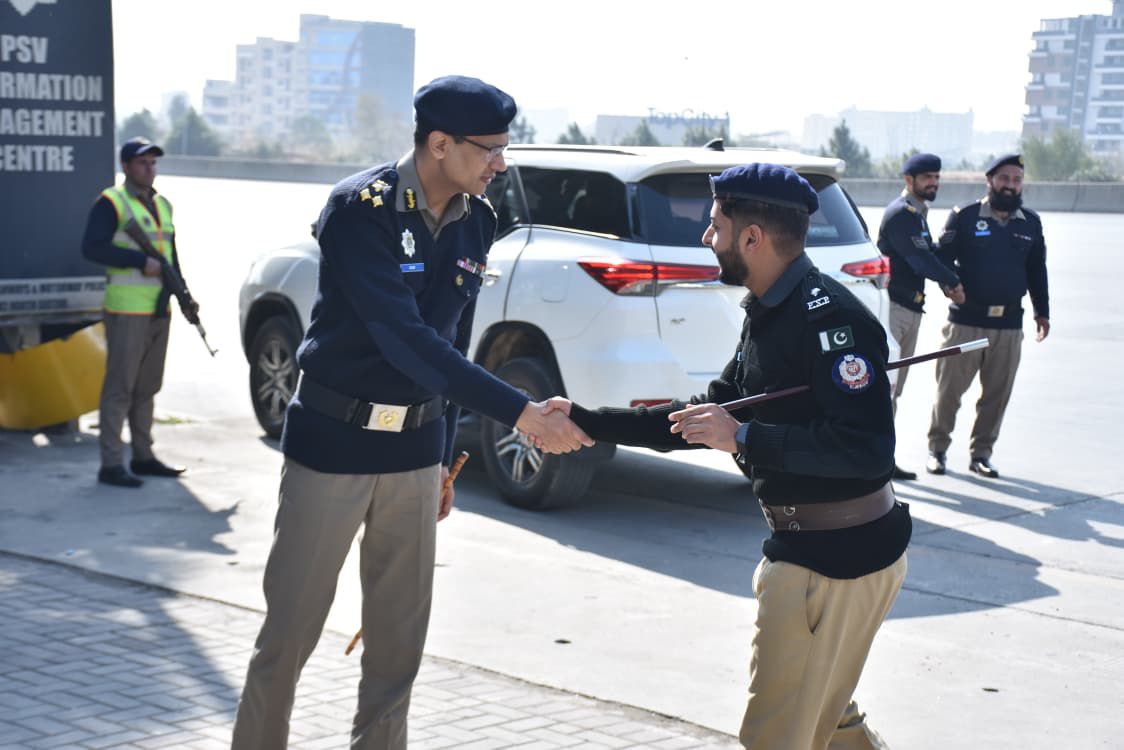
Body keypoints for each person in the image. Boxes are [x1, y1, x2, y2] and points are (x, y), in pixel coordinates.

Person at [230, 76, 592, 750]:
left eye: (504, 149)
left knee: (397, 652)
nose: (501, 164)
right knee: (288, 638)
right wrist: (520, 412)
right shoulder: (359, 210)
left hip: (414, 457)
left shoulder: (479, 219)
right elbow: (404, 340)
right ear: (440, 144)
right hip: (332, 447)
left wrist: (444, 458)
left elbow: (454, 342)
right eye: (490, 150)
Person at [558, 164, 911, 750]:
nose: (706, 238)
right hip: (816, 553)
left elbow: (865, 449)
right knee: (828, 724)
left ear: (752, 238)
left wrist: (744, 439)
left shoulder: (831, 320)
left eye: (714, 226)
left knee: (775, 736)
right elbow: (708, 415)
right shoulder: (770, 311)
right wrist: (588, 421)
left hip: (834, 564)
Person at [925, 153, 1049, 479]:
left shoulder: (1031, 223)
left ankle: (981, 454)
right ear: (990, 180)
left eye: (1017, 180)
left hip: (1008, 326)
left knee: (996, 395)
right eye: (1004, 178)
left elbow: (1037, 270)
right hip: (965, 322)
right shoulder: (964, 217)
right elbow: (941, 259)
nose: (1010, 185)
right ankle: (937, 449)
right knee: (949, 392)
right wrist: (949, 286)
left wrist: (1042, 312)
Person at [81, 136, 193, 488]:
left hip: (159, 309)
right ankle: (111, 464)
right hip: (127, 310)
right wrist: (137, 260)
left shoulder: (163, 205)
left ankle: (143, 457)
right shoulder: (111, 202)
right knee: (120, 388)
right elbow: (92, 248)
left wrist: (184, 295)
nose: (149, 168)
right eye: (142, 162)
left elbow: (169, 257)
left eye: (153, 162)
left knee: (147, 388)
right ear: (126, 166)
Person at [876, 152, 965, 481]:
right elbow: (919, 260)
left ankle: (883, 458)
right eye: (927, 177)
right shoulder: (902, 214)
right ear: (908, 180)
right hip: (894, 310)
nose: (934, 183)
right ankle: (877, 460)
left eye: (937, 177)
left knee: (893, 390)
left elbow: (931, 255)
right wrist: (952, 282)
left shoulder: (918, 214)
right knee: (885, 389)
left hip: (910, 310)